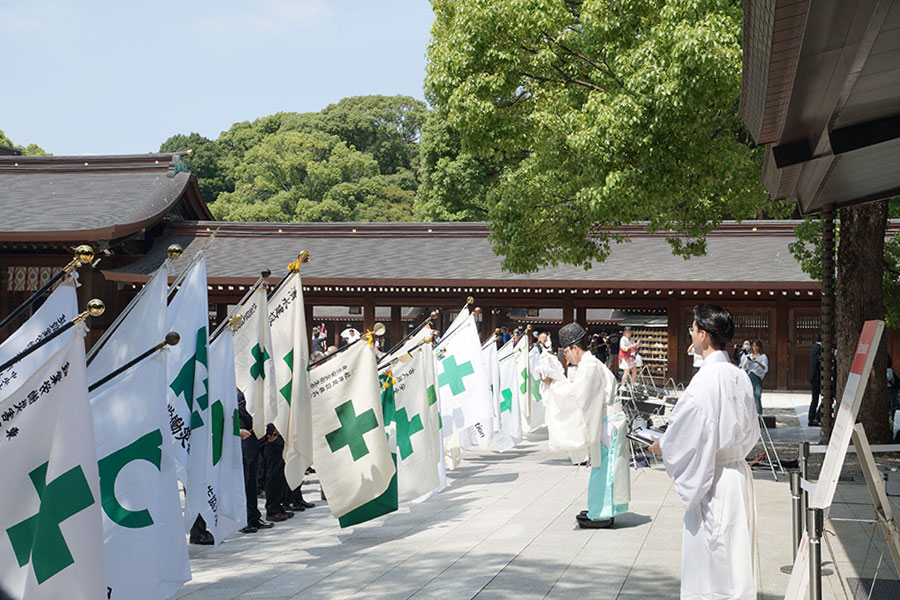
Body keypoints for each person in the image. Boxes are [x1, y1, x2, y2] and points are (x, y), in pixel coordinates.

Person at [649, 305, 759, 600]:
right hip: (735, 471)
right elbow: (751, 430)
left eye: (693, 329)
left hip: (715, 478)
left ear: (704, 336)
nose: (691, 334)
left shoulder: (705, 382)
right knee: (735, 558)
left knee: (714, 557)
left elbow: (687, 432)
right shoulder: (740, 376)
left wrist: (664, 444)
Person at [543, 322, 629, 528]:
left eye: (566, 351)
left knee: (606, 469)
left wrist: (552, 384)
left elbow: (576, 396)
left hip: (609, 422)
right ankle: (601, 508)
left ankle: (601, 513)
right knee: (604, 467)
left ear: (574, 347)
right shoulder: (589, 364)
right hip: (607, 420)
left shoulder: (589, 366)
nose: (566, 357)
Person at [237, 388, 274, 533]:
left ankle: (253, 516)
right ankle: (243, 520)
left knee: (252, 483)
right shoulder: (239, 396)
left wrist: (269, 430)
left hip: (254, 441)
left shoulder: (256, 390)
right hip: (242, 440)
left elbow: (264, 412)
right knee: (243, 484)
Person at [740, 340, 768, 414]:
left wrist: (758, 363)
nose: (755, 348)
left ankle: (759, 412)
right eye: (753, 346)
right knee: (749, 395)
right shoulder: (750, 356)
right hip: (750, 376)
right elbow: (744, 367)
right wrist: (747, 362)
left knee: (757, 394)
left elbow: (765, 368)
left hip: (757, 377)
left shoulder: (763, 357)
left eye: (756, 346)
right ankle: (749, 412)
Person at [808, 334, 823, 426]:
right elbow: (819, 362)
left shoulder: (814, 348)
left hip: (813, 377)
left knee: (815, 399)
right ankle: (816, 417)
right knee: (826, 397)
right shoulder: (819, 349)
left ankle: (812, 418)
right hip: (817, 377)